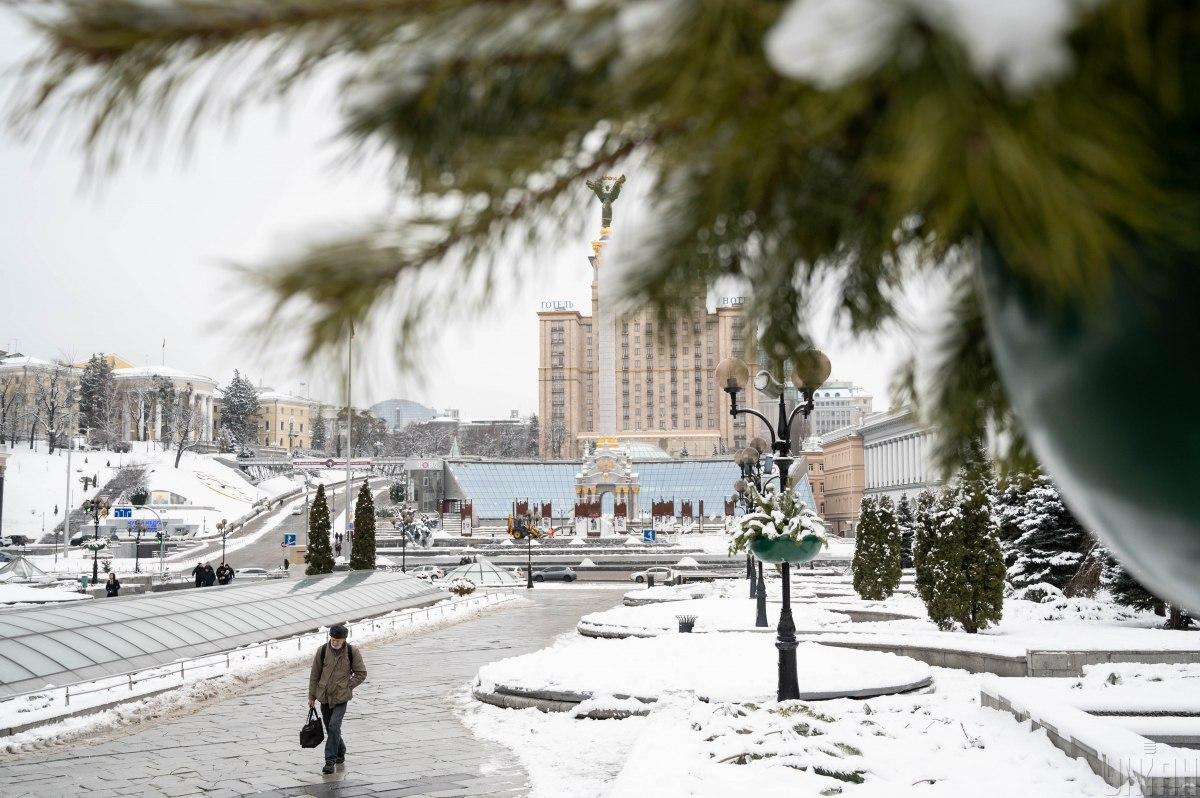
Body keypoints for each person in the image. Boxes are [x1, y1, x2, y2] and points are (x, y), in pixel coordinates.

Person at [308, 623, 367, 775]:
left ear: (344, 640)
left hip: (341, 698)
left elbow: (361, 673)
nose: (334, 642)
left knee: (334, 726)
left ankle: (330, 761)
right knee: (330, 728)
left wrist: (348, 686)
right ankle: (341, 749)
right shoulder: (322, 651)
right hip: (324, 697)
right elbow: (315, 675)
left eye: (337, 641)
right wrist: (312, 696)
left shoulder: (352, 652)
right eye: (333, 639)